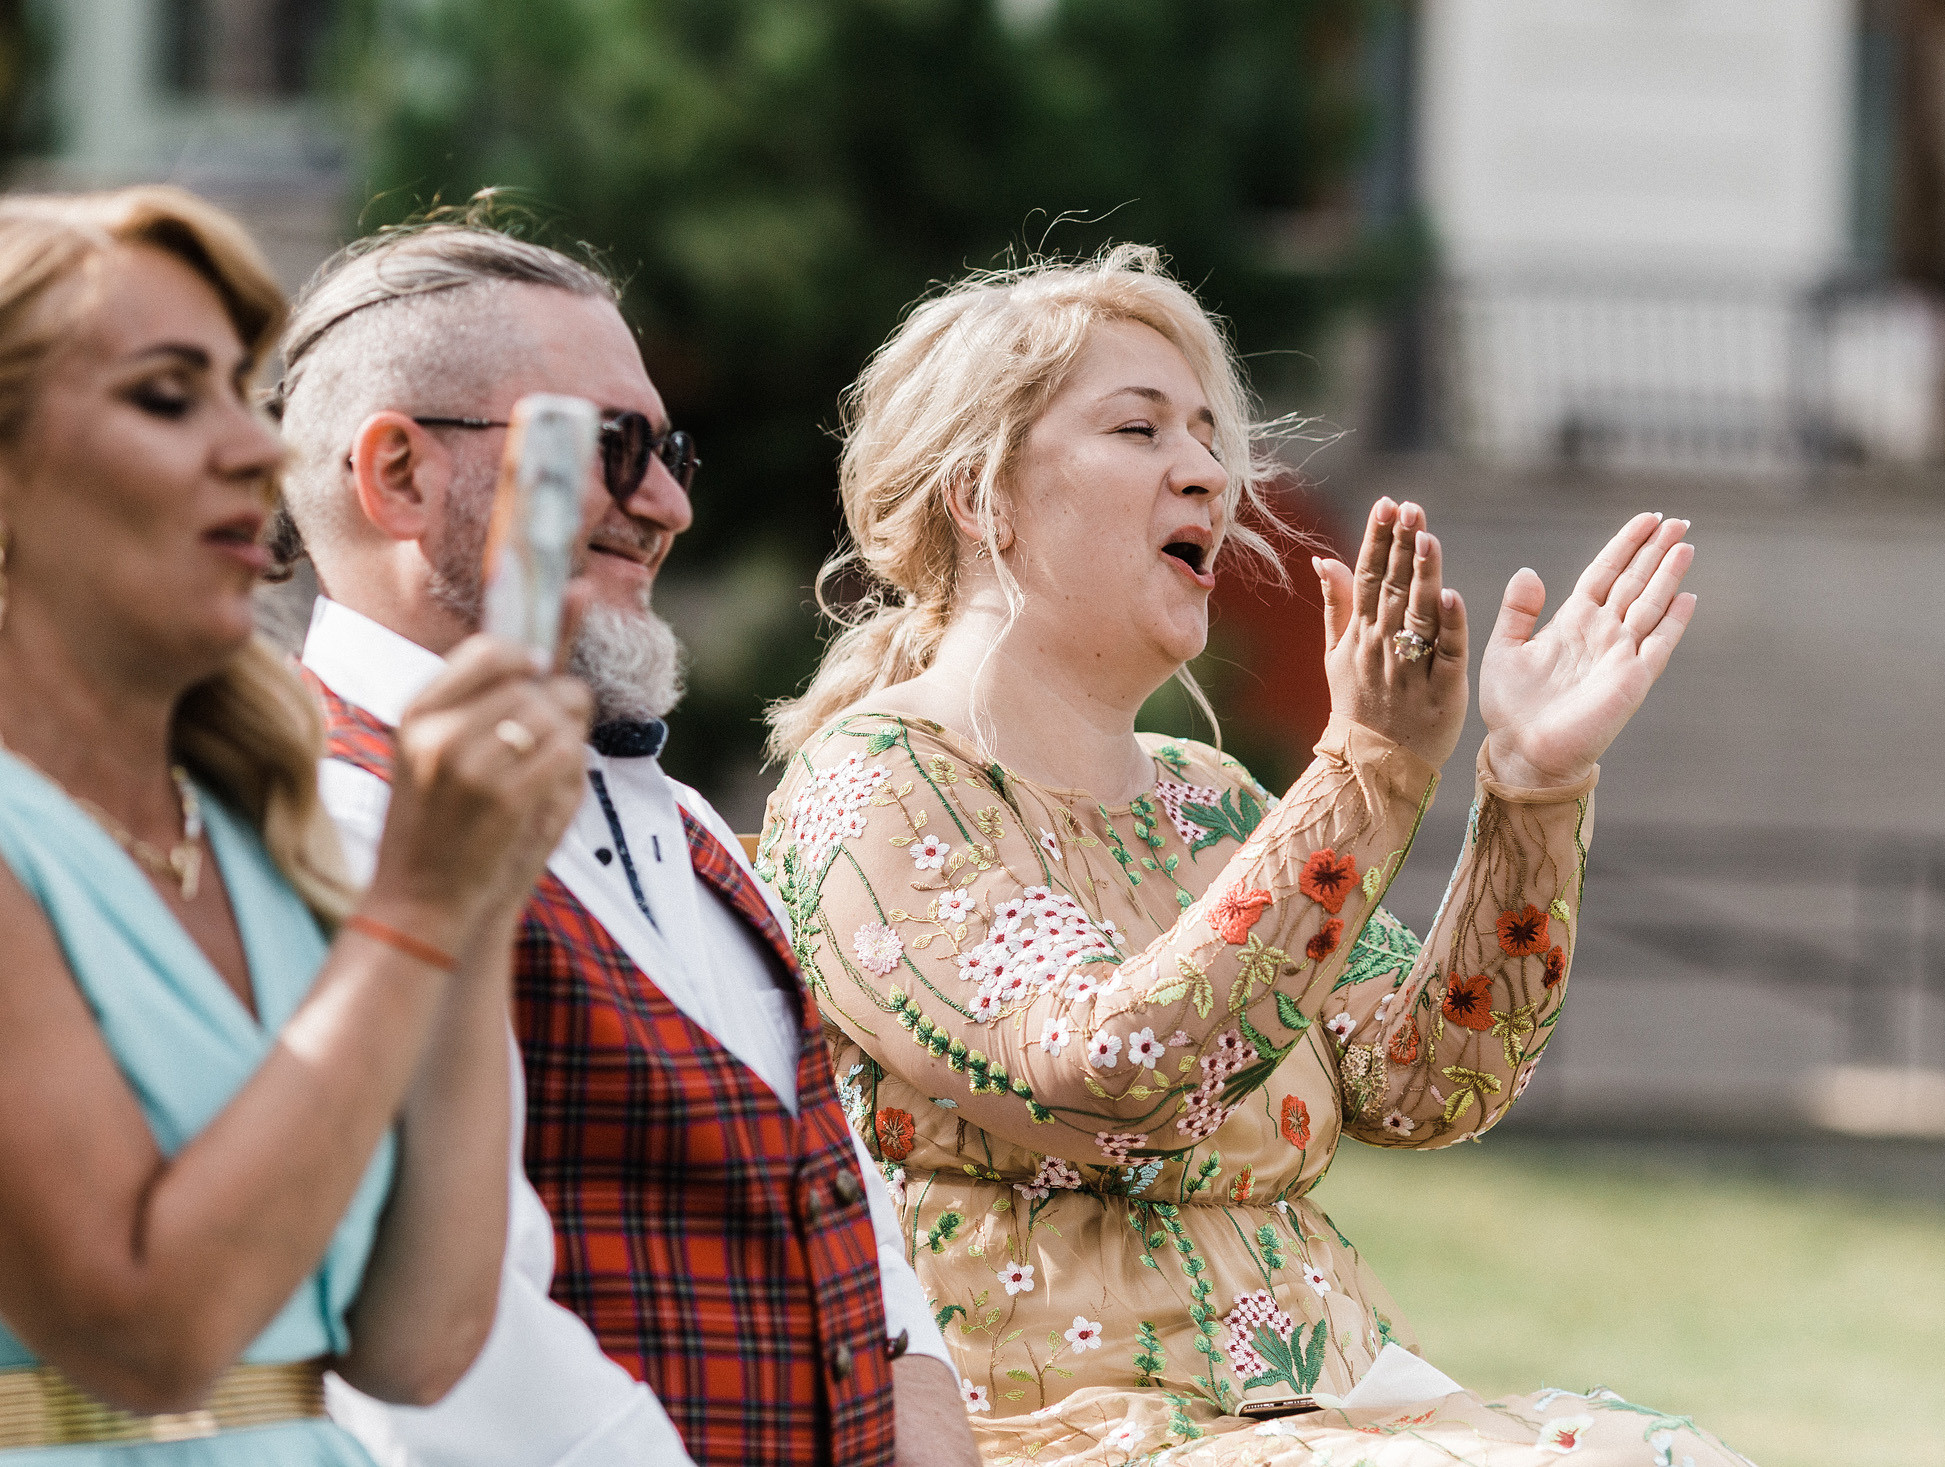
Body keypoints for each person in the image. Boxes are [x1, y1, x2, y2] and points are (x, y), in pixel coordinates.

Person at [760, 245, 1749, 1465]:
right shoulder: (879, 783)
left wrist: (1533, 786)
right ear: (982, 495)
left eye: (1209, 436)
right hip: (1054, 1433)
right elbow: (1105, 1073)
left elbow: (1431, 1079)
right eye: (1139, 430)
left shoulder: (1212, 800)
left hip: (1326, 1413)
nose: (1207, 473)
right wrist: (1370, 772)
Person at [269, 213, 978, 1467]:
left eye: (674, 451)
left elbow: (841, 1206)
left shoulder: (690, 827)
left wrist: (921, 1412)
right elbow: (440, 1349)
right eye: (612, 447)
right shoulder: (316, 818)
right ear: (396, 475)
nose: (665, 505)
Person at [0, 188, 593, 1462]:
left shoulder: (254, 819)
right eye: (168, 396)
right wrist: (419, 906)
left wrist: (482, 892)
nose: (256, 450)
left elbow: (418, 1344)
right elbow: (151, 1338)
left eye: (239, 392)